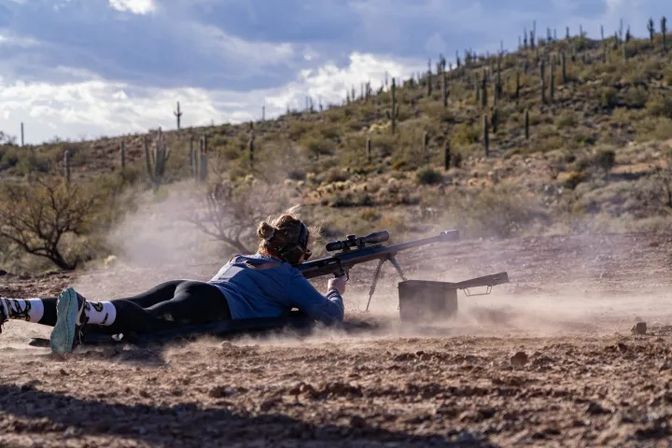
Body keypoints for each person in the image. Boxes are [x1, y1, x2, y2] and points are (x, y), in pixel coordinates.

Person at [0, 214, 347, 353]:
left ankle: (15, 306)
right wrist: (336, 287)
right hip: (210, 305)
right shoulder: (286, 275)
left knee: (117, 307)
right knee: (141, 321)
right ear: (297, 252)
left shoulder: (242, 258)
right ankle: (82, 312)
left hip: (188, 286)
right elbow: (330, 316)